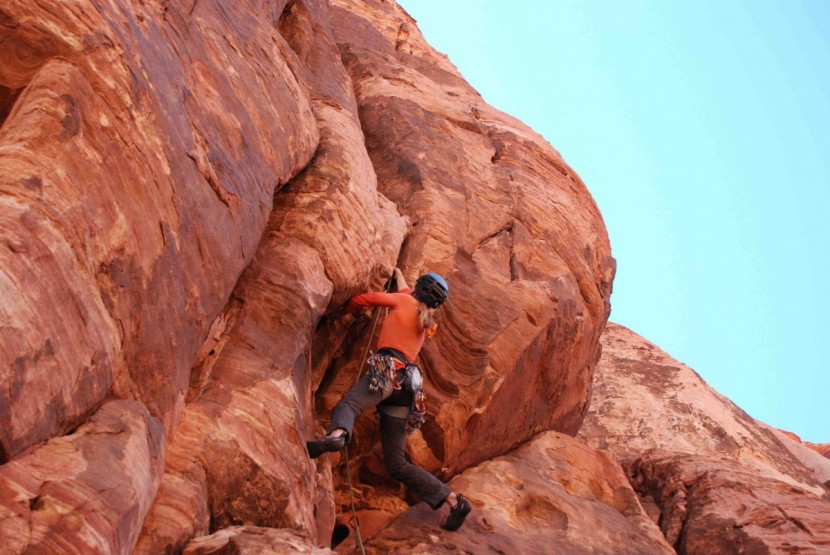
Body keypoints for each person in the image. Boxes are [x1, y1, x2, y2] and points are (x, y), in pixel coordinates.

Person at [307, 268, 472, 531]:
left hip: (387, 373)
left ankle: (337, 435)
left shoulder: (404, 301)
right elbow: (405, 290)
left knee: (349, 405)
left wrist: (337, 313)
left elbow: (364, 300)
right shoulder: (424, 318)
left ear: (419, 288)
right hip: (406, 389)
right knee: (397, 464)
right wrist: (397, 273)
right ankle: (454, 501)